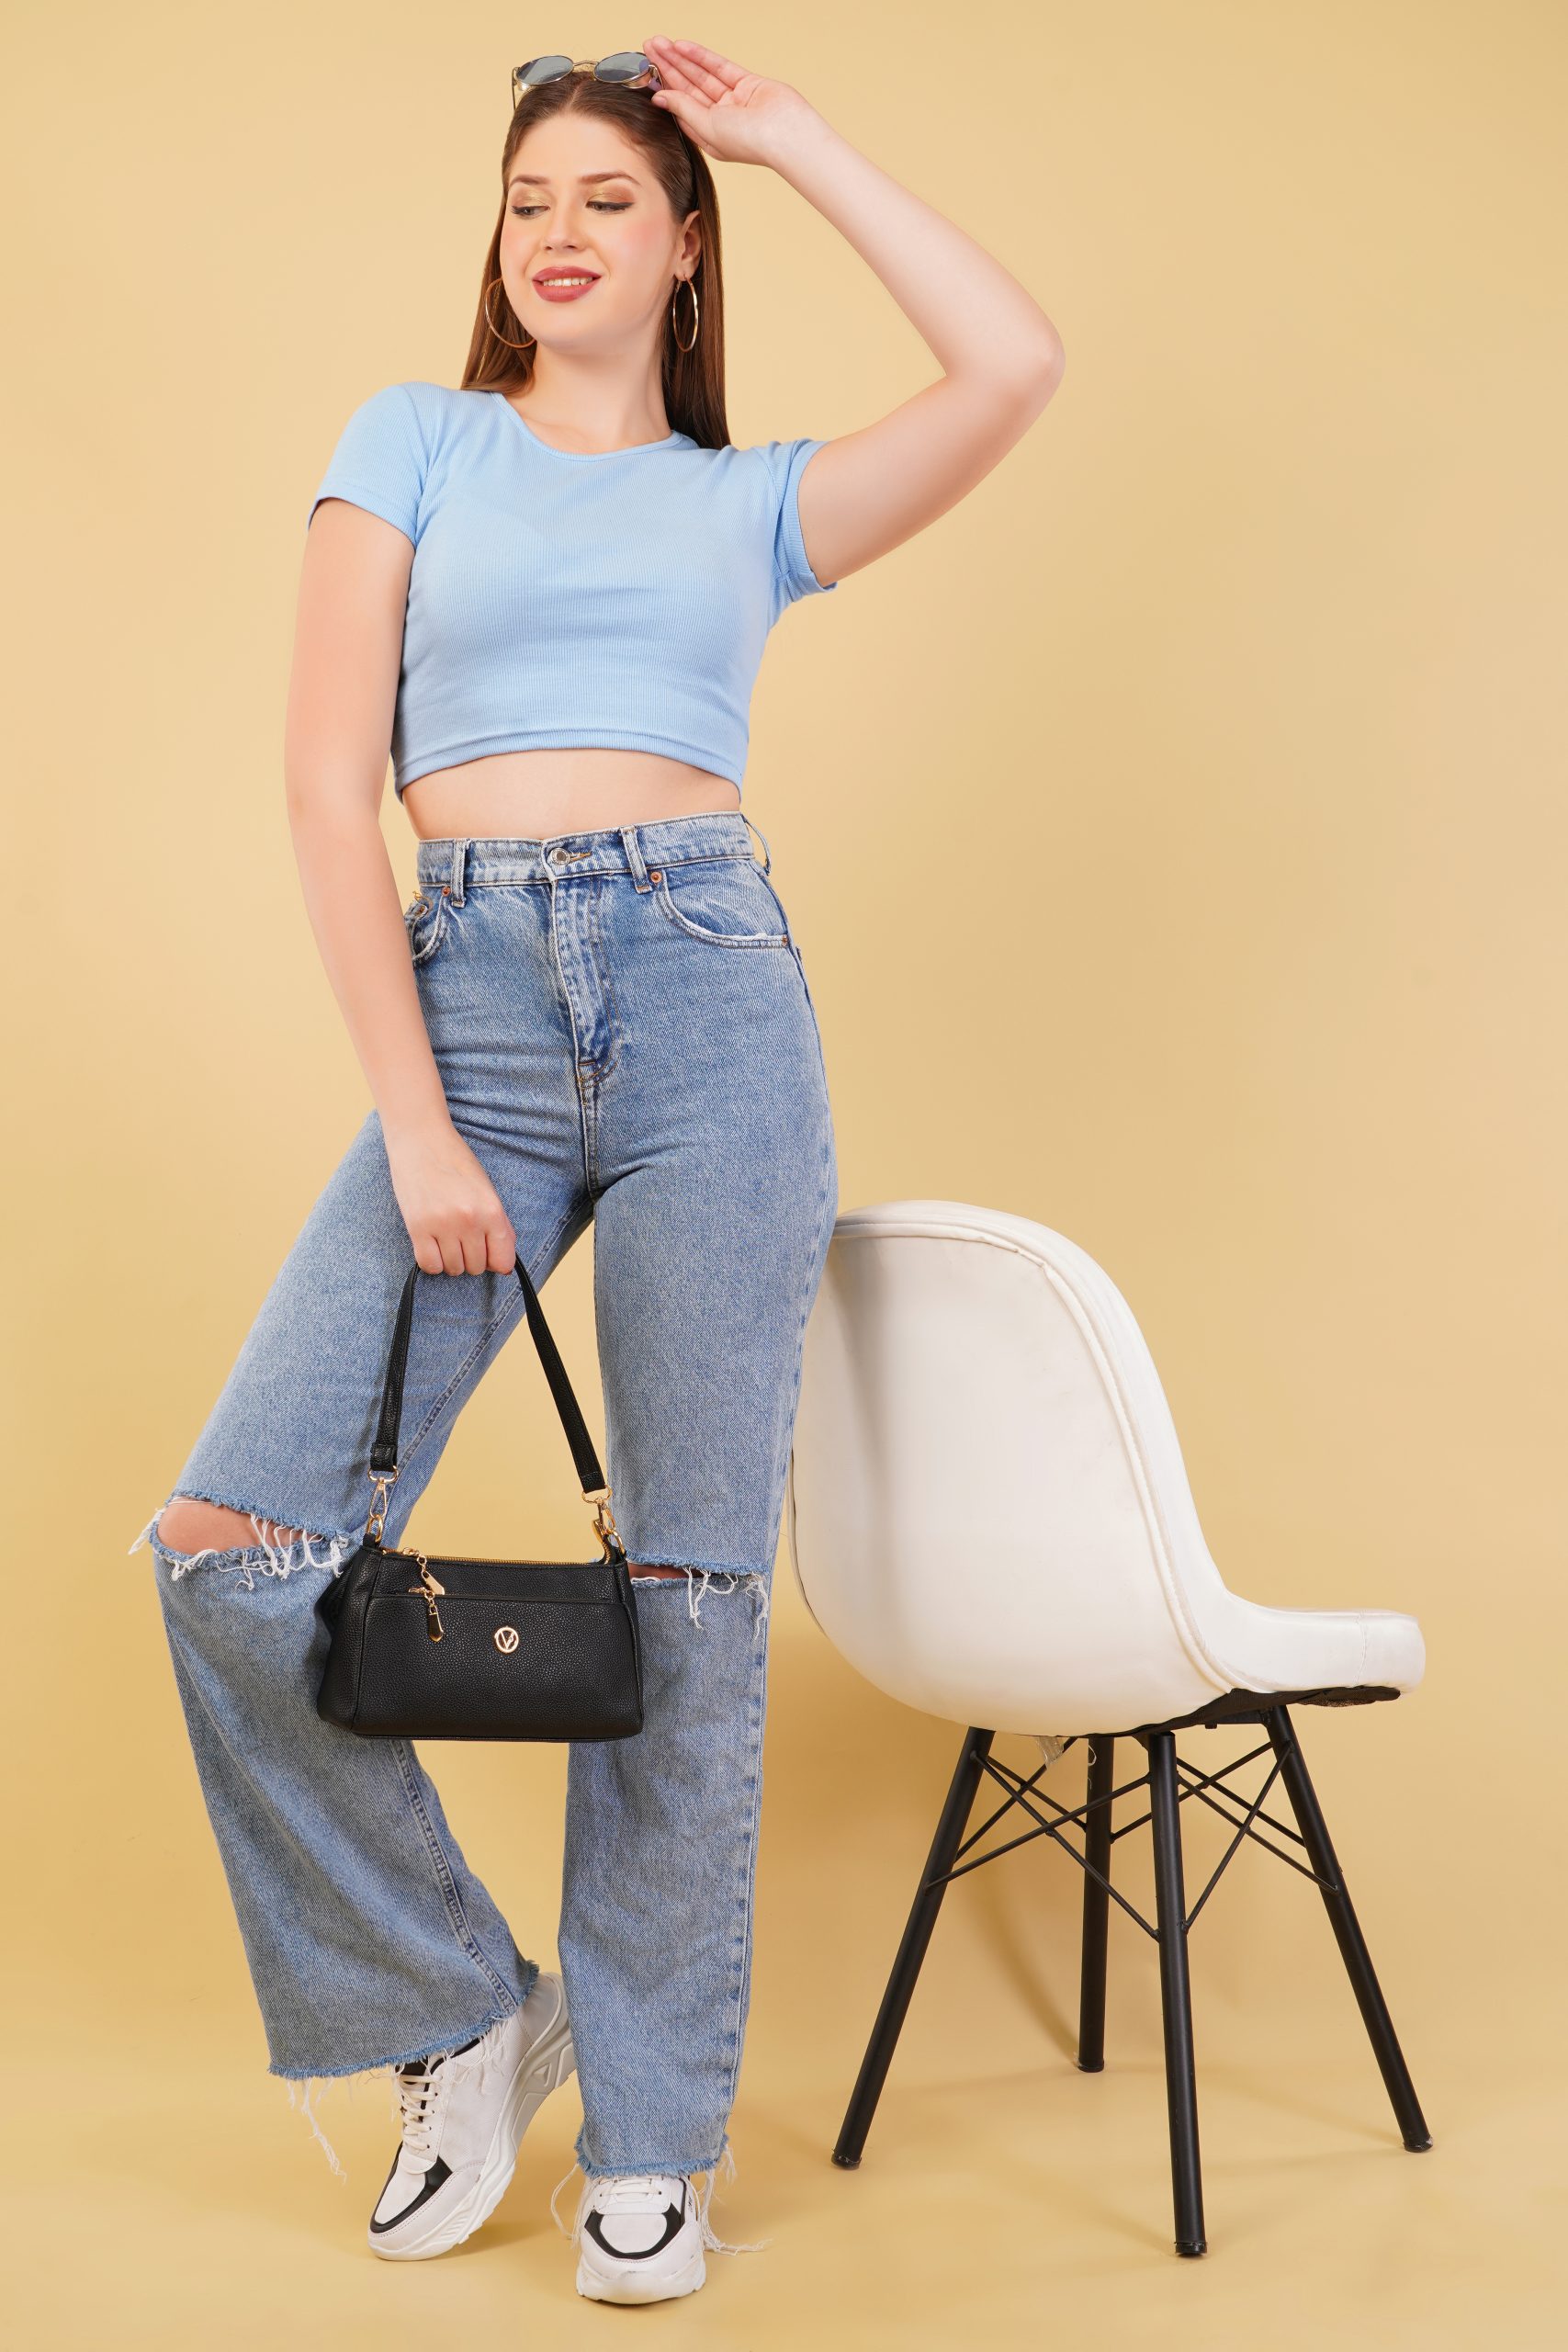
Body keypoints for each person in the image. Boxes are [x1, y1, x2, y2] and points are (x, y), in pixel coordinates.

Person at [128, 37, 1064, 2307]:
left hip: (709, 994)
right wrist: (419, 1113)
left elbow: (1012, 363)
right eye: (528, 196)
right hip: (459, 994)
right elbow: (321, 787)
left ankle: (651, 2143)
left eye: (609, 198)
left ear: (682, 249)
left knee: (686, 1585)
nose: (557, 230)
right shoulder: (414, 439)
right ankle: (463, 2004)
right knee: (230, 1548)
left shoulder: (750, 506)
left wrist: (791, 137)